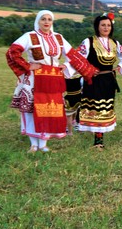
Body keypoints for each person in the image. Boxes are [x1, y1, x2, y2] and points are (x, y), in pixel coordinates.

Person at [6, 10, 97, 152]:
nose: (46, 22)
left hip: (53, 79)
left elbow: (74, 55)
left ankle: (43, 143)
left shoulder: (58, 38)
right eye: (43, 19)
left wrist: (66, 66)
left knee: (49, 110)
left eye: (49, 19)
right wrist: (28, 65)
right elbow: (12, 51)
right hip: (34, 78)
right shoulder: (29, 37)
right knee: (31, 109)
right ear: (38, 21)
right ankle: (33, 144)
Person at [73, 13, 122, 149]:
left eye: (108, 25)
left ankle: (99, 140)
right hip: (93, 79)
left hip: (108, 80)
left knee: (104, 108)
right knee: (94, 107)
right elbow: (77, 57)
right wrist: (88, 69)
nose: (106, 28)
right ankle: (94, 137)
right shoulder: (89, 41)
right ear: (97, 26)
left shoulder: (115, 43)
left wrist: (121, 66)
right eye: (103, 25)